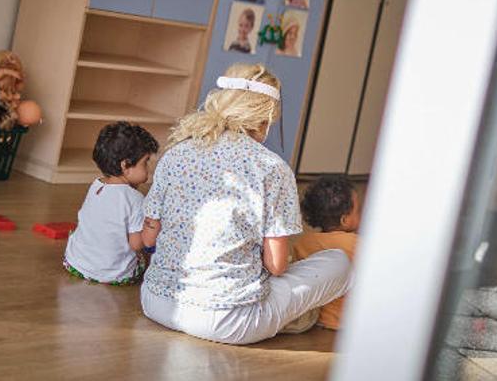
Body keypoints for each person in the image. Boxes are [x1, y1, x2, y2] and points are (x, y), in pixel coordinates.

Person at [139, 63, 351, 345]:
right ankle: (294, 317)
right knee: (338, 261)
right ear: (266, 118)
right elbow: (275, 266)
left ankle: (288, 317)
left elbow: (151, 235)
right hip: (227, 320)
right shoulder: (271, 167)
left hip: (156, 302)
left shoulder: (177, 152)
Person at [63, 122, 159, 286]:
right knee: (146, 258)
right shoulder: (135, 199)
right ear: (125, 165)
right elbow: (136, 245)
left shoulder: (96, 185)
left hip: (74, 264)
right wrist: (153, 227)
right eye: (146, 162)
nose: (149, 167)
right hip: (114, 275)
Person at [291, 175, 361, 331]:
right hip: (347, 322)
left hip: (317, 322)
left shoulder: (302, 243)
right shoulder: (357, 244)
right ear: (344, 220)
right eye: (358, 211)